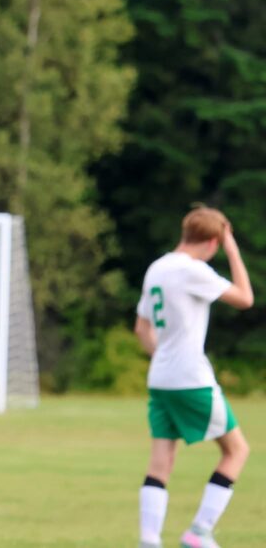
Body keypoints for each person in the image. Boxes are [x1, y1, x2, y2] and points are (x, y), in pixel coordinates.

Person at [134, 206, 254, 548]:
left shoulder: (157, 267)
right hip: (191, 378)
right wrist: (233, 250)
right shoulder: (193, 270)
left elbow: (141, 328)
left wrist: (164, 357)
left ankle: (149, 540)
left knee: (161, 462)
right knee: (237, 451)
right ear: (214, 241)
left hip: (160, 378)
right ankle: (199, 531)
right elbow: (245, 298)